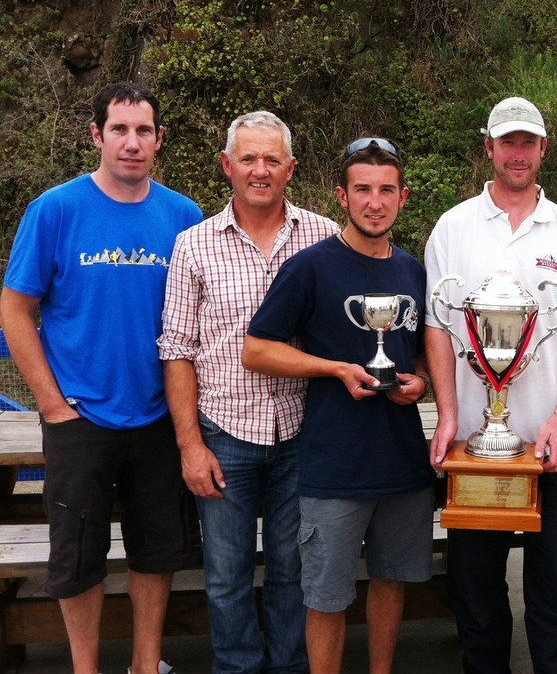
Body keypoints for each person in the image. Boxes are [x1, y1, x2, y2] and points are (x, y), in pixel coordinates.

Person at [0, 82, 203, 674]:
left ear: (159, 140)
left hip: (161, 415)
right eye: (119, 129)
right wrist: (52, 404)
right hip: (79, 417)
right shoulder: (56, 209)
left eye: (144, 131)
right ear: (96, 135)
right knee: (78, 557)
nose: (132, 143)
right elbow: (14, 308)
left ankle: (146, 663)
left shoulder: (182, 215)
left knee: (156, 551)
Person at [424, 96, 557, 674]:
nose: (517, 153)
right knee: (476, 595)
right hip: (476, 455)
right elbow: (438, 328)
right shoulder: (453, 227)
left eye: (527, 142)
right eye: (506, 142)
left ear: (543, 151)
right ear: (488, 147)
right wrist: (451, 415)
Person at [241, 137, 435, 674]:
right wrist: (333, 368)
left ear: (403, 196)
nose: (375, 201)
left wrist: (419, 381)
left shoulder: (412, 271)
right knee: (326, 596)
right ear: (342, 196)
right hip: (332, 464)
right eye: (363, 190)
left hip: (401, 461)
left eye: (386, 190)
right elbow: (257, 348)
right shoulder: (312, 267)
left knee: (391, 583)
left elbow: (419, 354)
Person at [157, 111, 338, 673]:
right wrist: (190, 445)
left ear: (291, 168)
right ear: (227, 166)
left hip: (301, 432)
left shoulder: (325, 235)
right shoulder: (193, 245)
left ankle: (288, 667)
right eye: (249, 159)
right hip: (224, 433)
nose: (260, 170)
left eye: (272, 159)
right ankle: (236, 669)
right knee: (227, 576)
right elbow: (177, 348)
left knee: (292, 570)